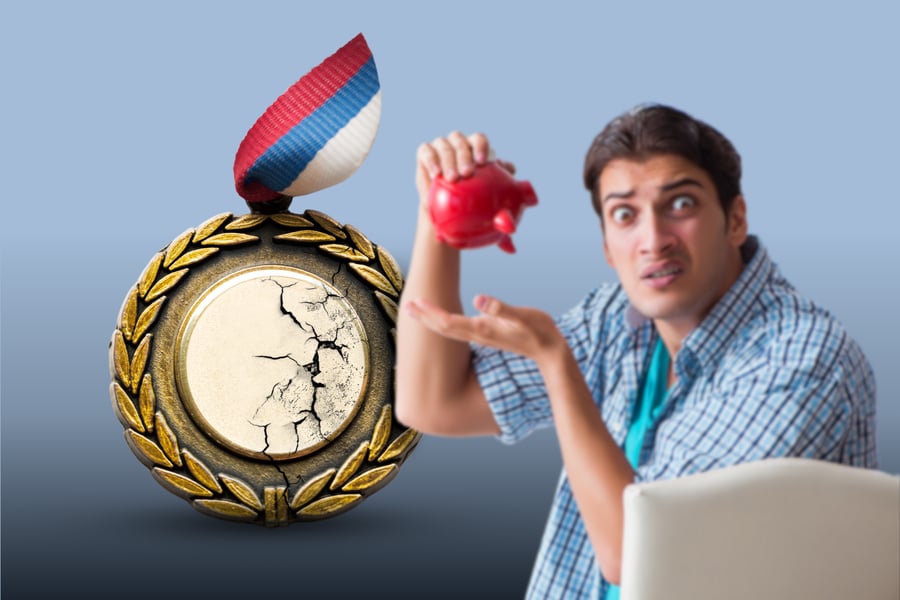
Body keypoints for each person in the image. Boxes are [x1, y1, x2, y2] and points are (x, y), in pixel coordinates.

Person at [394, 104, 877, 599]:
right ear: (606, 247)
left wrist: (558, 367)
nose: (653, 241)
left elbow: (643, 558)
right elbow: (432, 402)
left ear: (735, 220)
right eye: (625, 214)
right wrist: (440, 212)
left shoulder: (802, 361)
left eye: (681, 205)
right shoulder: (616, 321)